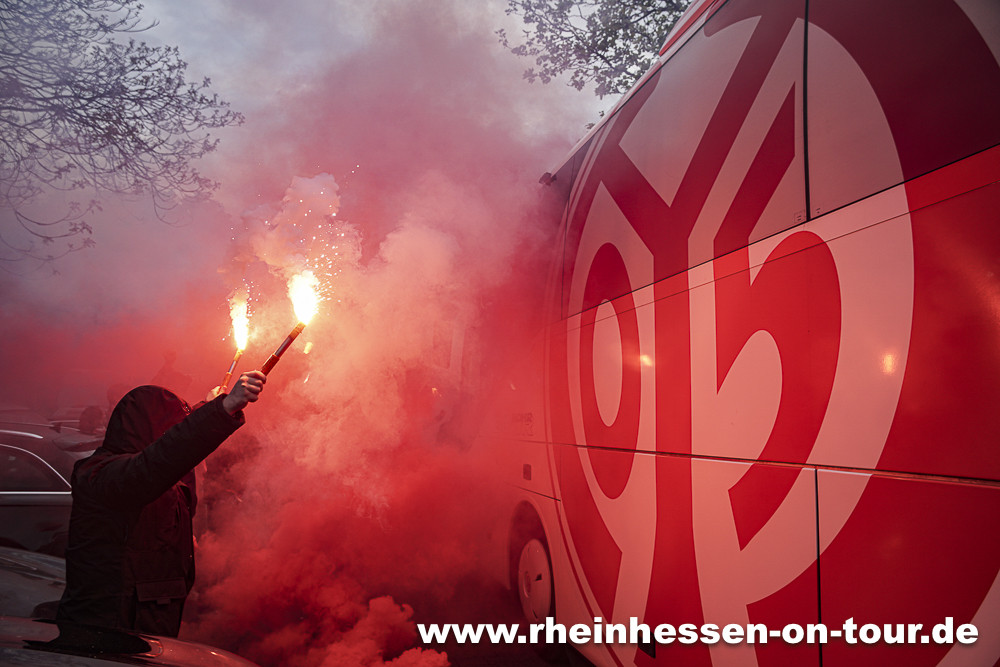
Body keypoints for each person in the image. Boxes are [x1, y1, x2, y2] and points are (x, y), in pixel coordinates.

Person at [55, 371, 266, 637]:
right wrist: (222, 409)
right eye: (172, 425)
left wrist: (209, 407)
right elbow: (165, 457)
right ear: (151, 427)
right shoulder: (102, 475)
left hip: (146, 626)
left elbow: (174, 453)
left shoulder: (158, 474)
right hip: (106, 632)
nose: (176, 430)